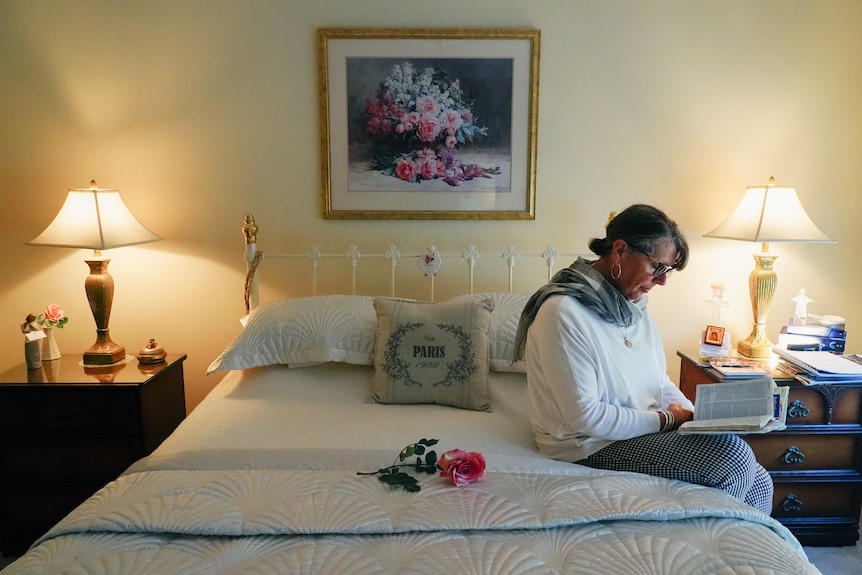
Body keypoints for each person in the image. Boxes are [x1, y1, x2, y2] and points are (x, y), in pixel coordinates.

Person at [513, 204, 773, 513]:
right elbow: (584, 417)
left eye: (668, 271)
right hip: (586, 444)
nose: (662, 281)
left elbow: (657, 381)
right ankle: (713, 547)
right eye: (658, 267)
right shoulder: (562, 312)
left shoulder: (633, 309)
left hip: (638, 428)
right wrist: (666, 420)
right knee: (734, 458)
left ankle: (734, 549)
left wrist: (693, 414)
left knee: (760, 479)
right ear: (620, 250)